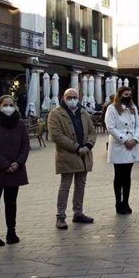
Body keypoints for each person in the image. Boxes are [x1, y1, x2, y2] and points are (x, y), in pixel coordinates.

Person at [0, 95, 30, 246]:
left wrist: (18, 163)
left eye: (11, 104)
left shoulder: (20, 124)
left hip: (15, 171)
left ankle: (11, 232)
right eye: (5, 104)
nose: (8, 107)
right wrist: (4, 164)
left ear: (15, 106)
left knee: (11, 203)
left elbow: (25, 145)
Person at [48, 88, 97, 229]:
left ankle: (78, 213)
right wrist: (76, 147)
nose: (72, 99)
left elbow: (92, 132)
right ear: (63, 98)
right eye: (69, 97)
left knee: (81, 185)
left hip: (84, 154)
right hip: (67, 155)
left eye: (75, 97)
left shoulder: (83, 112)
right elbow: (56, 135)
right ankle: (61, 216)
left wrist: (88, 145)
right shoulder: (55, 114)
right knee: (65, 186)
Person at [105, 86, 139, 214]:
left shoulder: (133, 108)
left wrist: (136, 139)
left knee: (127, 176)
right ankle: (118, 203)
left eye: (130, 94)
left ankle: (126, 202)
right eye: (126, 94)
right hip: (119, 145)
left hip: (132, 144)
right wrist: (124, 140)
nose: (128, 97)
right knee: (119, 176)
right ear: (120, 95)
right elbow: (110, 127)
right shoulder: (112, 109)